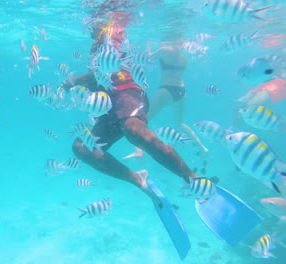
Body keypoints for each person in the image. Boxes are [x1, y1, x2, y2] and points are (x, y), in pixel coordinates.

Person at [67, 14, 198, 208]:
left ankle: (191, 178)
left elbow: (110, 63)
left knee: (133, 130)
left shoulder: (111, 30)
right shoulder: (97, 41)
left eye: (93, 21)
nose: (89, 24)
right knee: (83, 148)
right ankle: (138, 180)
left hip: (127, 92)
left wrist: (73, 81)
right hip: (108, 103)